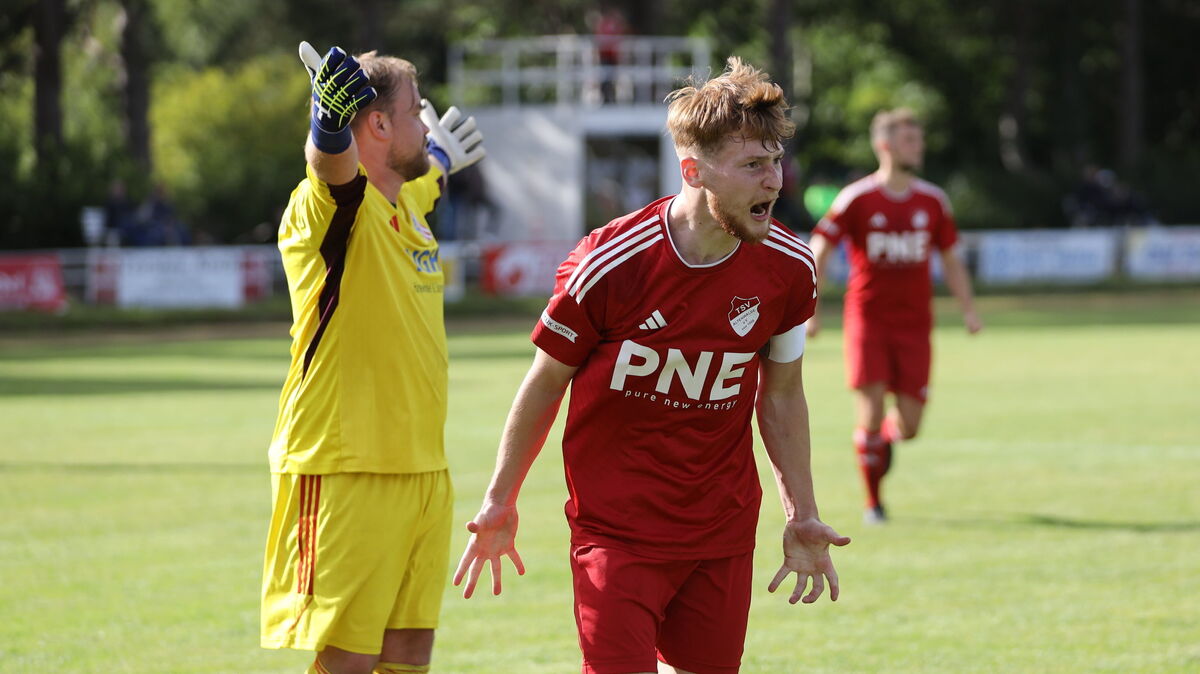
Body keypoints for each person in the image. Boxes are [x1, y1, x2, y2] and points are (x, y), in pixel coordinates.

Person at [455, 57, 849, 674]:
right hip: (617, 533)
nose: (772, 181)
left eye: (775, 161)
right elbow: (545, 381)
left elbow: (781, 396)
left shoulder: (790, 268)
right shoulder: (611, 262)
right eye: (752, 164)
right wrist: (500, 500)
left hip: (720, 532)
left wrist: (801, 513)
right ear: (693, 170)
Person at [260, 41, 484, 674]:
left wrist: (436, 155)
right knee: (349, 659)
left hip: (422, 471)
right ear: (378, 125)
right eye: (417, 111)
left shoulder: (406, 203)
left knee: (409, 653)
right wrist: (329, 123)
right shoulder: (332, 207)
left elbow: (429, 173)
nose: (428, 122)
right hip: (344, 468)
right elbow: (330, 165)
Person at [806, 108, 982, 524]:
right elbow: (820, 247)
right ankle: (874, 503)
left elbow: (952, 259)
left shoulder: (932, 200)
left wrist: (969, 309)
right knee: (867, 412)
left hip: (916, 326)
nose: (918, 147)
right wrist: (811, 309)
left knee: (910, 425)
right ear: (885, 145)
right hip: (868, 321)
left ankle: (884, 442)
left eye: (918, 140)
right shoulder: (858, 198)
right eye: (909, 140)